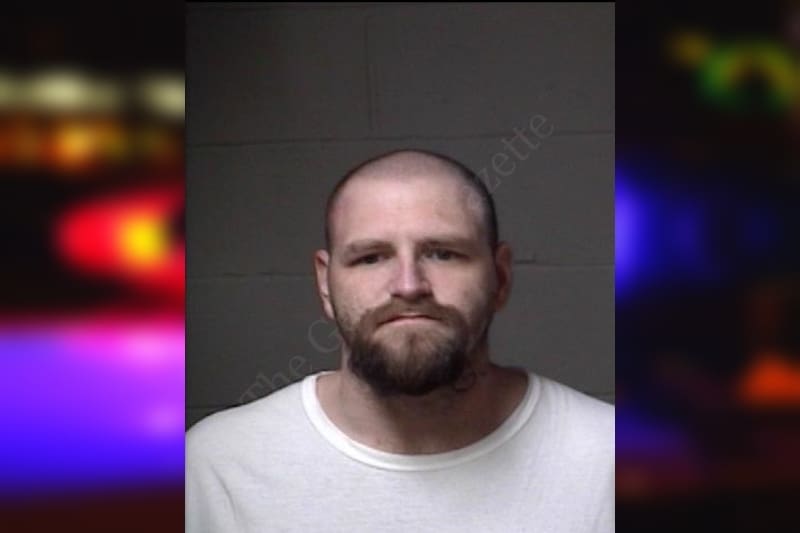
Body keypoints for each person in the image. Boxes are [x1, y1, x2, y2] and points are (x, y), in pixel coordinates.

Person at [186, 149, 614, 532]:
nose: (409, 286)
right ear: (325, 284)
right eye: (370, 258)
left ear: (500, 277)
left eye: (443, 253)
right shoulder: (217, 465)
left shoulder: (609, 460)